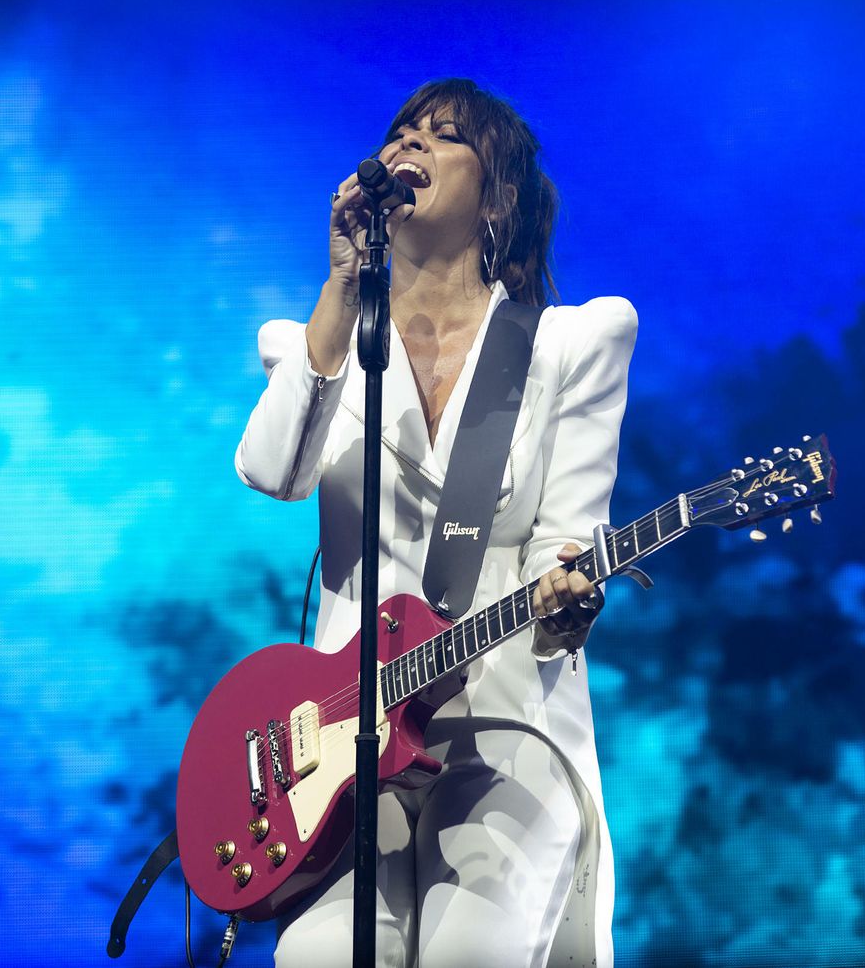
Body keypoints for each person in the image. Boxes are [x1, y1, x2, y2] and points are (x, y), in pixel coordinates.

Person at [235, 78, 637, 968]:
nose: (411, 143)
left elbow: (566, 537)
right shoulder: (315, 345)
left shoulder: (572, 343)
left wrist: (568, 599)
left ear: (496, 194)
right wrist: (342, 287)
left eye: (444, 135)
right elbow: (273, 473)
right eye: (402, 130)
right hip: (339, 745)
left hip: (503, 726)